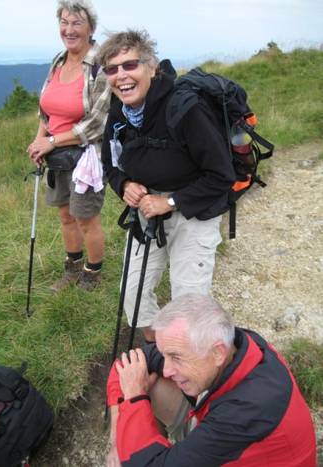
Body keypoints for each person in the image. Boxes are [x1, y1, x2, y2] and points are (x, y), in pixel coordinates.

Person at [98, 30, 235, 342]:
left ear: (152, 66)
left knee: (189, 306)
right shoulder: (118, 113)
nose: (121, 76)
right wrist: (125, 185)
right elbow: (110, 164)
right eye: (111, 69)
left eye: (130, 65)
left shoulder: (185, 108)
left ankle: (194, 371)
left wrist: (170, 202)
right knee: (132, 297)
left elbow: (221, 175)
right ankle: (159, 348)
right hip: (147, 212)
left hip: (193, 213)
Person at [106, 294, 317, 467]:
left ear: (218, 353)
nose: (167, 369)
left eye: (176, 357)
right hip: (222, 436)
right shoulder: (234, 344)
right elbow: (124, 365)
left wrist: (134, 398)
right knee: (143, 380)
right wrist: (118, 437)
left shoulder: (246, 410)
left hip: (237, 444)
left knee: (140, 391)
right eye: (164, 354)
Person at [27, 0, 111, 292]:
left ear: (90, 28)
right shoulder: (59, 61)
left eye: (77, 23)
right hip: (57, 155)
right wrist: (41, 139)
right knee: (65, 216)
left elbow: (96, 123)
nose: (69, 29)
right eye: (64, 22)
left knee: (85, 218)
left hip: (86, 156)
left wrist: (50, 141)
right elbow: (46, 109)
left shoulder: (100, 66)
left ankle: (93, 272)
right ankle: (72, 268)